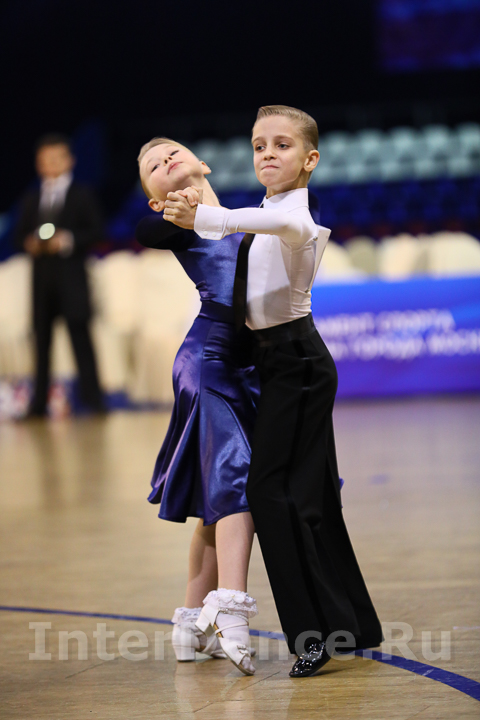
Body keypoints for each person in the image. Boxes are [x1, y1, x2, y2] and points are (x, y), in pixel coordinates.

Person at [163, 105, 383, 678]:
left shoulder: (294, 215)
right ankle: (351, 625)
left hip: (298, 365)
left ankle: (313, 636)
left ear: (310, 159)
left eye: (282, 145)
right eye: (259, 145)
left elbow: (286, 230)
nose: (267, 154)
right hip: (279, 364)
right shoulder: (266, 209)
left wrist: (205, 217)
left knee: (271, 494)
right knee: (311, 495)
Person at [136, 138, 260, 675]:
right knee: (235, 480)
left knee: (218, 502)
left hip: (248, 365)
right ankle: (231, 609)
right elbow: (146, 232)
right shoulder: (176, 223)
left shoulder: (243, 216)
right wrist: (175, 213)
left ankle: (190, 623)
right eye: (153, 166)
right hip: (208, 361)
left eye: (172, 152)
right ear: (154, 196)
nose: (166, 160)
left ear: (204, 163)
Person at [14, 133, 105, 417]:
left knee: (81, 339)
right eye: (45, 159)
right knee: (41, 343)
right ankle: (38, 403)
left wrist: (66, 241)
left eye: (57, 158)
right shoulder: (32, 197)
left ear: (69, 161)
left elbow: (97, 231)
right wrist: (30, 243)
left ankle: (93, 401)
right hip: (42, 281)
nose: (51, 164)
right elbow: (18, 235)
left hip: (72, 279)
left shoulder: (82, 193)